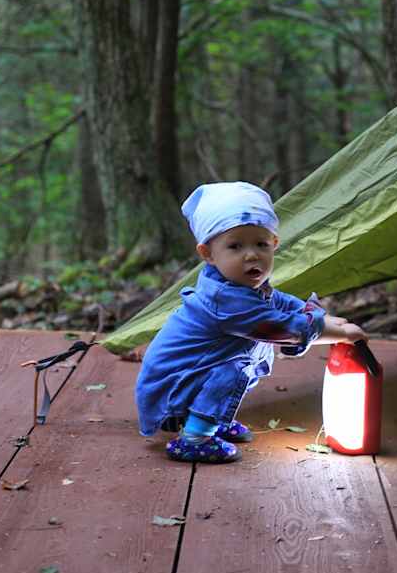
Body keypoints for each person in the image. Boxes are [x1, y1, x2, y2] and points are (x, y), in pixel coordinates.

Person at [135, 181, 366, 463]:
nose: (251, 254)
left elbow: (279, 301)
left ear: (274, 244)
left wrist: (326, 318)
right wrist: (341, 334)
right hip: (173, 387)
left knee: (249, 356)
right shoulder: (225, 300)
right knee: (235, 368)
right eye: (235, 246)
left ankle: (213, 417)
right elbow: (285, 330)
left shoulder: (238, 283)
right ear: (208, 253)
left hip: (194, 371)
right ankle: (196, 436)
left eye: (261, 244)